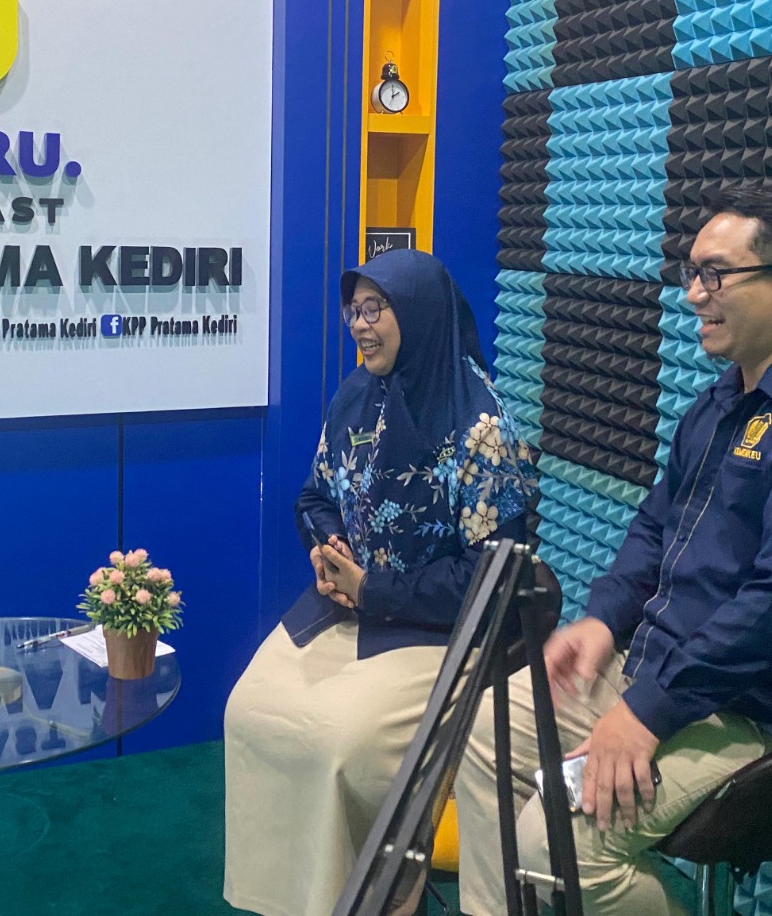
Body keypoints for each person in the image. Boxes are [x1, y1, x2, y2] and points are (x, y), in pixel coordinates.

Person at [455, 184, 772, 916]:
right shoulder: (721, 402)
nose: (695, 293)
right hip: (671, 673)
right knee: (483, 735)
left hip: (761, 709)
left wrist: (646, 712)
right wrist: (604, 619)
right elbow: (655, 527)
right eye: (693, 272)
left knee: (555, 844)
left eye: (716, 274)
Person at [224, 248, 539, 916]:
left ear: (418, 313)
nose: (360, 325)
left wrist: (375, 591)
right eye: (355, 311)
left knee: (338, 742)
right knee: (251, 712)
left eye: (377, 309)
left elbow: (493, 574)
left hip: (439, 630)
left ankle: (373, 898)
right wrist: (326, 548)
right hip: (352, 608)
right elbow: (314, 497)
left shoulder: (481, 427)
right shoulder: (354, 397)